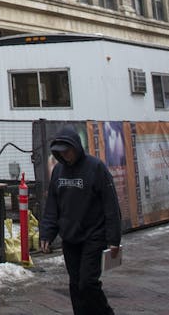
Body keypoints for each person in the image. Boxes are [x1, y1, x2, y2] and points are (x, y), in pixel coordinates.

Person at [39, 126, 122, 315]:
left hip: (94, 235)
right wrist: (47, 233)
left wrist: (114, 239)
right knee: (75, 285)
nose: (66, 155)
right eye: (61, 152)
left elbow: (110, 204)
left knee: (88, 283)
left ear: (76, 147)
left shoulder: (96, 168)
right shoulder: (58, 172)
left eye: (68, 151)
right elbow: (52, 205)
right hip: (70, 237)